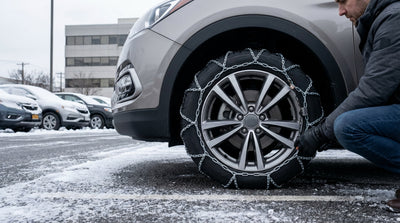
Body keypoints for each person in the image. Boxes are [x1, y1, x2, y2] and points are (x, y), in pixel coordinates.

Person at [295, 0, 400, 212]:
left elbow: (373, 91)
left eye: (343, 1)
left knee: (347, 127)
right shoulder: (387, 16)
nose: (341, 11)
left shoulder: (394, 19)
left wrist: (320, 133)